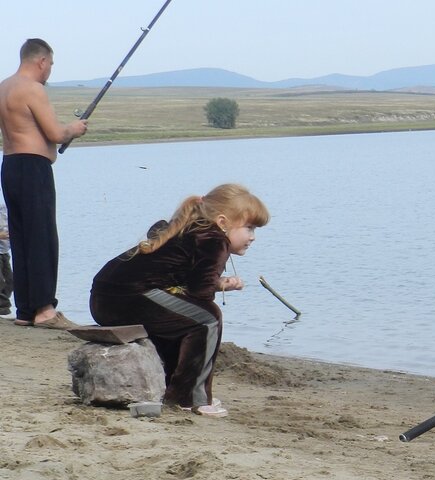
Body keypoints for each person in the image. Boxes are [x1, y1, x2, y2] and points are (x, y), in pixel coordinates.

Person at [90, 184, 269, 418]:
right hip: (130, 296)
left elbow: (185, 280)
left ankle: (171, 388)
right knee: (208, 319)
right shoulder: (214, 239)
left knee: (186, 317)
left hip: (106, 298)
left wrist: (218, 283)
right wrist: (215, 285)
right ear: (223, 222)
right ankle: (190, 398)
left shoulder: (190, 228)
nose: (252, 237)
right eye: (249, 228)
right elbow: (200, 293)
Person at [0, 38, 88, 328]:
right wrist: (74, 128)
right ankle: (45, 309)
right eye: (50, 64)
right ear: (41, 61)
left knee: (21, 237)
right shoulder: (33, 89)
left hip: (10, 166)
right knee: (42, 236)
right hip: (33, 168)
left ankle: (25, 310)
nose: (49, 70)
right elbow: (55, 133)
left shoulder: (4, 87)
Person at [0, 204, 13, 315]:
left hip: (4, 252)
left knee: (10, 280)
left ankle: (3, 304)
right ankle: (3, 307)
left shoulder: (4, 208)